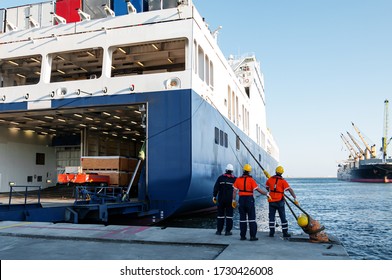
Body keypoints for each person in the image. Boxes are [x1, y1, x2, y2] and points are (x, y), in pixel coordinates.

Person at [232, 164, 270, 241]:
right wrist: (267, 193)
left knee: (242, 219)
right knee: (252, 219)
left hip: (241, 200)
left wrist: (233, 200)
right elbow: (259, 190)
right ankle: (252, 236)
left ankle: (242, 236)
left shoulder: (238, 180)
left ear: (243, 171)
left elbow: (234, 191)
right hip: (249, 200)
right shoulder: (251, 180)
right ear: (249, 172)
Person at [265, 166, 298, 238]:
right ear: (282, 173)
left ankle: (271, 232)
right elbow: (290, 190)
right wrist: (295, 198)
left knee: (271, 218)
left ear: (275, 171)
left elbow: (267, 187)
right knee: (283, 217)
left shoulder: (270, 179)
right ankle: (285, 233)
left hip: (271, 201)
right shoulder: (283, 181)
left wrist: (271, 191)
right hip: (280, 202)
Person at [213, 164, 236, 235]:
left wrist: (214, 196)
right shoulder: (234, 179)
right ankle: (228, 231)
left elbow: (216, 187)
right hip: (230, 200)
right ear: (232, 171)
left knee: (220, 216)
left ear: (226, 170)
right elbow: (237, 189)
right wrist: (234, 200)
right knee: (229, 216)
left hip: (221, 199)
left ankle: (219, 231)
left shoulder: (220, 178)